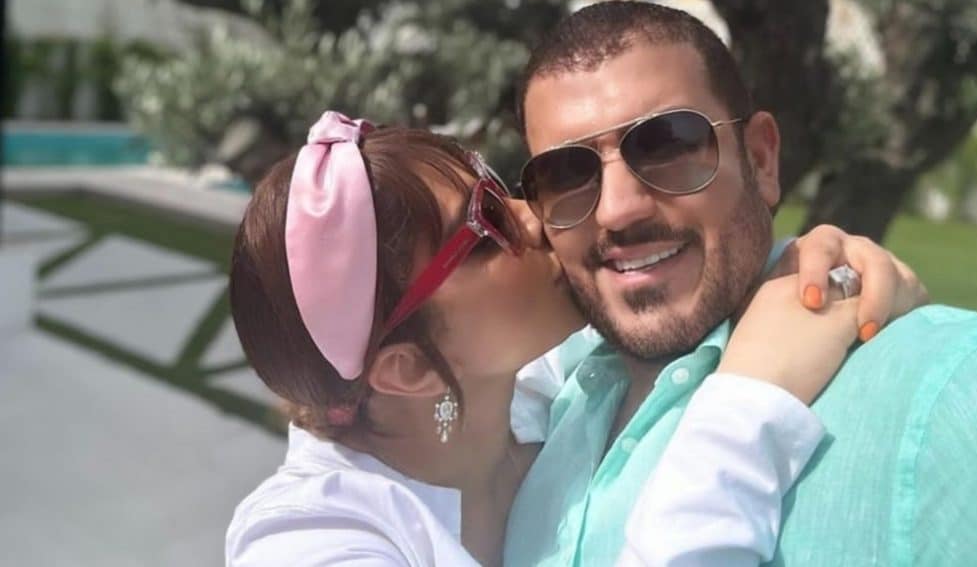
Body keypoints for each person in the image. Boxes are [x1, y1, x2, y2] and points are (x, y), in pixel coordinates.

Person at [225, 111, 921, 566]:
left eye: (499, 187)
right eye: (486, 229)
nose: (536, 218)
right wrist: (747, 410)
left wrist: (814, 267)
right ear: (407, 369)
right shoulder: (307, 541)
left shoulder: (558, 388)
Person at [507, 0, 977, 567]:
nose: (617, 209)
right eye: (565, 174)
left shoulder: (963, 380)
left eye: (667, 144)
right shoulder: (529, 416)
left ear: (760, 159)